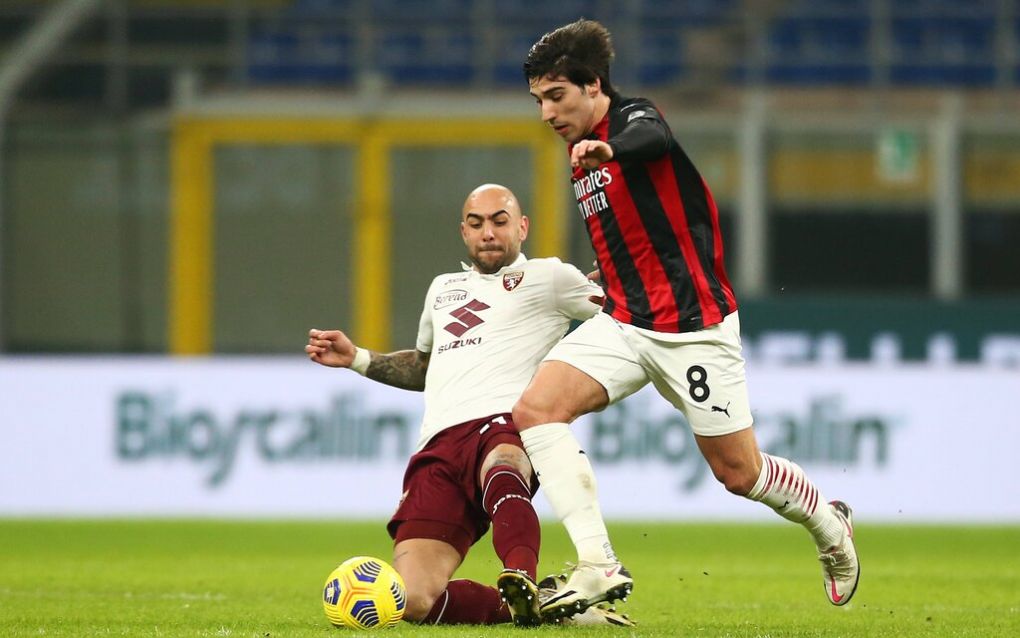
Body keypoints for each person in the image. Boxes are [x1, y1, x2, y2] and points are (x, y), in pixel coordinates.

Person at [508, 19, 861, 621]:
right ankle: (598, 563)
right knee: (535, 411)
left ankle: (830, 524)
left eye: (557, 96)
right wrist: (610, 272)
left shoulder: (632, 121)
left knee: (739, 473)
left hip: (693, 327)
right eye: (539, 99)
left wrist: (612, 146)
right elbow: (636, 224)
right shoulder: (577, 151)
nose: (546, 112)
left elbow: (653, 140)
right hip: (624, 321)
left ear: (595, 86)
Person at [305, 184, 629, 627]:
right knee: (413, 601)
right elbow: (423, 366)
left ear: (522, 227)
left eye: (499, 220)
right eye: (476, 224)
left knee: (504, 463)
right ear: (463, 232)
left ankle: (521, 574)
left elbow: (628, 315)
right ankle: (544, 605)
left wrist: (624, 284)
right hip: (438, 445)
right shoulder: (443, 290)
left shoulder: (550, 276)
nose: (488, 233)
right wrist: (358, 358)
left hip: (505, 422)